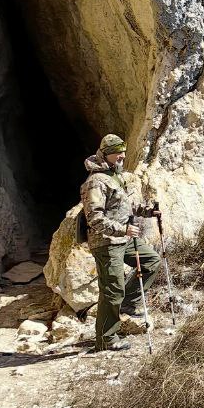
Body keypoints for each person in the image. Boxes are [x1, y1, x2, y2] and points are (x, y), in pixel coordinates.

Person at [80, 134, 161, 351]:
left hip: (123, 239)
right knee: (112, 289)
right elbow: (94, 218)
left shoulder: (114, 176)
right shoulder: (95, 182)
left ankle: (127, 304)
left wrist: (147, 211)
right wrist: (122, 229)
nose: (122, 156)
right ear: (106, 154)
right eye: (118, 152)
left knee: (152, 262)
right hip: (106, 242)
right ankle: (106, 339)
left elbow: (125, 206)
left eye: (123, 152)